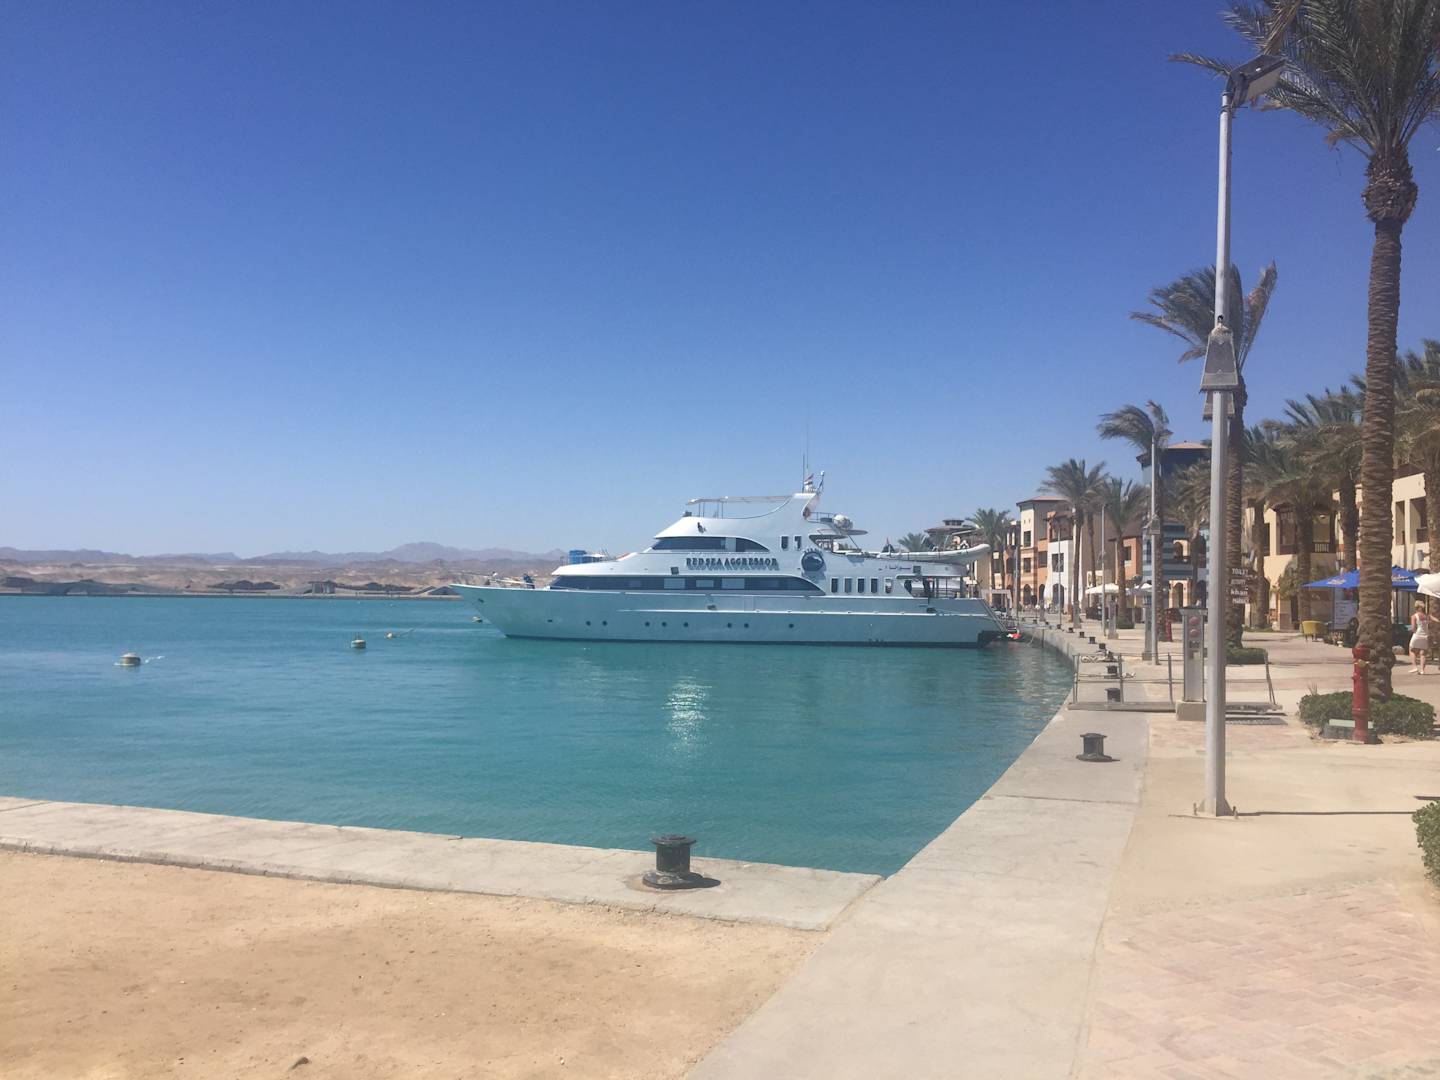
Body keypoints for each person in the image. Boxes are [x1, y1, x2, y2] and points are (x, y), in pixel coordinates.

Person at [1410, 601, 1431, 675]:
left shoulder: (1414, 616)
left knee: (1412, 650)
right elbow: (1430, 623)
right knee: (1423, 653)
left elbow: (1413, 628)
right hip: (1425, 635)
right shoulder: (1426, 616)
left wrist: (1413, 631)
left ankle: (1414, 667)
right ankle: (1422, 670)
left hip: (1417, 634)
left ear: (1416, 607)